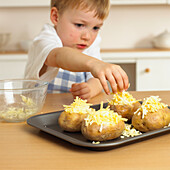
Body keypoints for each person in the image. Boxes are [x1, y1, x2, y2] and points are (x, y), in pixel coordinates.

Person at [24, 0, 129, 101]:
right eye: (79, 25)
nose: (87, 36)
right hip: (37, 110)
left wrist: (90, 89)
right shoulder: (46, 38)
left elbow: (96, 78)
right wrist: (94, 63)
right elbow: (58, 56)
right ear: (56, 17)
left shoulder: (88, 44)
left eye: (96, 28)